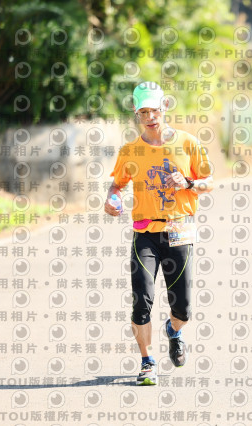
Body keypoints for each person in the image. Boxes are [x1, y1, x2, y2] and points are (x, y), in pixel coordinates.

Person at [104, 81, 213, 385]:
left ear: (165, 106)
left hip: (179, 230)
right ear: (136, 112)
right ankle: (147, 361)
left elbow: (209, 182)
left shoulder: (188, 143)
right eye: (143, 112)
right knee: (142, 301)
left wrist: (188, 183)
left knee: (183, 309)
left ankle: (174, 330)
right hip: (145, 233)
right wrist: (112, 199)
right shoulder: (130, 151)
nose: (150, 117)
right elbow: (116, 185)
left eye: (154, 110)